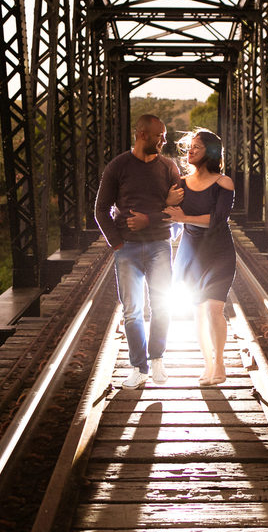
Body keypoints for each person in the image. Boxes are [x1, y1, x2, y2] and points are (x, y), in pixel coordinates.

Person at [95, 114, 184, 389]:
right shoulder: (118, 167)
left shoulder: (168, 167)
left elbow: (178, 212)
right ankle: (138, 367)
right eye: (160, 135)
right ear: (142, 134)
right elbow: (100, 210)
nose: (164, 141)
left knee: (161, 306)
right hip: (128, 249)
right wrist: (116, 242)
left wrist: (149, 218)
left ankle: (157, 359)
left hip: (159, 244)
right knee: (132, 310)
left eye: (165, 136)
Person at [165, 129, 236, 386]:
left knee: (214, 309)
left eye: (197, 147)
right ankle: (208, 365)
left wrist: (183, 218)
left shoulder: (223, 183)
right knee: (197, 311)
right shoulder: (181, 184)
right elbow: (167, 211)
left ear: (211, 152)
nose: (190, 151)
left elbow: (217, 220)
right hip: (189, 253)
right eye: (190, 146)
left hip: (218, 252)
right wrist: (167, 202)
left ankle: (219, 366)